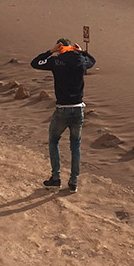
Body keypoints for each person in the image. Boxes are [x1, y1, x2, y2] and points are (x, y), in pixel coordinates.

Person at [30, 38, 96, 192]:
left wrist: (50, 51)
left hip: (62, 109)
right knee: (75, 145)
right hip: (78, 109)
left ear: (60, 47)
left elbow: (35, 63)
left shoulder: (56, 61)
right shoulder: (80, 60)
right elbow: (92, 61)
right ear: (71, 47)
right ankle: (73, 181)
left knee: (53, 141)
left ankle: (56, 177)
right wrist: (81, 51)